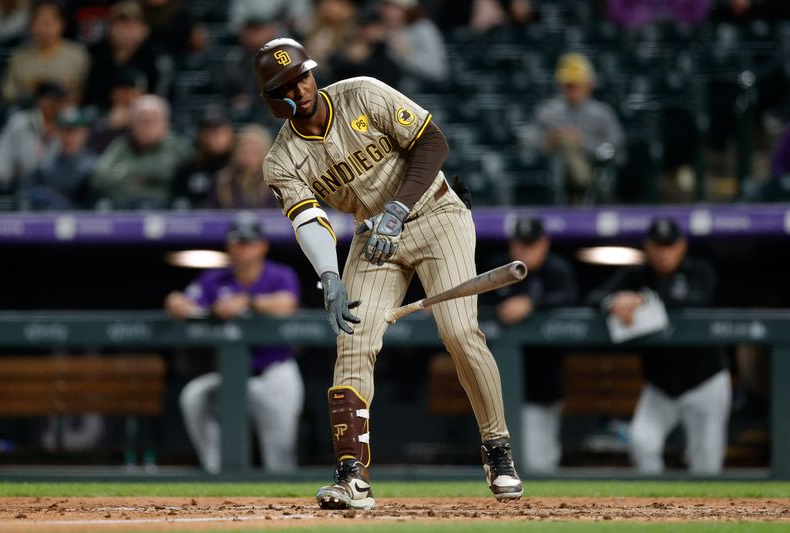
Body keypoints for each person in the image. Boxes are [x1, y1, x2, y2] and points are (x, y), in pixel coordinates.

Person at [256, 38, 523, 510]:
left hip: (437, 215)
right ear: (272, 101)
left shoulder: (362, 93)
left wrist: (398, 208)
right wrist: (329, 277)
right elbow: (308, 221)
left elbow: (433, 141)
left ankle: (497, 450)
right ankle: (351, 475)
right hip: (372, 236)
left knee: (460, 331)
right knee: (354, 339)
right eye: (286, 86)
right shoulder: (282, 159)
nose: (300, 88)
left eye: (302, 75)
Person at [587, 217, 731, 475]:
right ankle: (656, 509)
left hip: (705, 383)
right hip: (660, 388)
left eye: (670, 246)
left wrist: (641, 299)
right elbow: (593, 296)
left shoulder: (699, 271)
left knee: (707, 464)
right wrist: (613, 302)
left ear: (682, 246)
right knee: (642, 442)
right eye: (658, 246)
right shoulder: (638, 274)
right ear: (648, 247)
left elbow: (695, 299)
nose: (664, 253)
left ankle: (707, 515)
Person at [165, 217, 304, 473]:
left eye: (248, 243)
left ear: (262, 246)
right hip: (230, 375)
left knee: (280, 458)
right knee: (194, 396)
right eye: (237, 243)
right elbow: (184, 302)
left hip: (274, 373)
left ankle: (285, 501)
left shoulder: (279, 275)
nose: (242, 248)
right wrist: (178, 302)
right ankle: (216, 470)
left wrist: (249, 302)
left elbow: (287, 304)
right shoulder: (215, 279)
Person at [484, 216, 578, 473]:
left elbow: (571, 298)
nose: (525, 250)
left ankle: (538, 509)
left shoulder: (556, 271)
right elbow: (476, 298)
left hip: (544, 381)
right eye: (520, 244)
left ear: (544, 244)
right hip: (500, 383)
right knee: (515, 459)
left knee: (539, 460)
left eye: (531, 244)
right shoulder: (498, 269)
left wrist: (532, 305)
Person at [520, 53, 624, 205]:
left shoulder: (602, 113)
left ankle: (583, 189)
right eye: (568, 85)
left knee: (570, 144)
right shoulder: (548, 111)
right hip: (554, 169)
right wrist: (548, 141)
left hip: (593, 168)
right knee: (565, 144)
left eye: (576, 85)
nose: (571, 90)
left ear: (589, 85)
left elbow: (615, 149)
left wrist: (584, 143)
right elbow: (525, 139)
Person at [91, 94, 189, 209]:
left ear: (166, 123)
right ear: (131, 123)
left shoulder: (177, 147)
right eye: (142, 120)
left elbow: (183, 178)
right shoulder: (121, 145)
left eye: (154, 120)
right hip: (122, 208)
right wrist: (153, 178)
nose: (148, 126)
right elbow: (99, 179)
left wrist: (127, 172)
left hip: (164, 212)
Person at [1, 0, 89, 104]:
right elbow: (7, 92)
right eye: (40, 22)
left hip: (67, 112)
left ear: (62, 24)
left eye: (50, 22)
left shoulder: (78, 54)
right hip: (28, 111)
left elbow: (85, 91)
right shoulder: (19, 56)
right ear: (31, 25)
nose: (45, 28)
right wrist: (28, 90)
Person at [0, 80, 67, 191]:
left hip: (61, 188)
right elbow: (0, 164)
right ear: (41, 100)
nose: (57, 105)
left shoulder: (68, 122)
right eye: (53, 100)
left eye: (59, 101)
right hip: (23, 186)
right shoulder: (19, 123)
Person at [83, 1, 158, 111]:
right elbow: (91, 98)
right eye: (120, 25)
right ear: (109, 29)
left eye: (131, 26)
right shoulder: (97, 57)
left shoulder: (153, 58)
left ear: (144, 30)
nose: (125, 32)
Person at [24, 106, 96, 209]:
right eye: (65, 130)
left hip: (83, 221)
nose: (69, 136)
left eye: (74, 131)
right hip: (51, 220)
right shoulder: (45, 166)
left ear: (84, 133)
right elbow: (28, 193)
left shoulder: (94, 166)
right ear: (58, 132)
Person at [171, 108, 235, 209]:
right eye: (209, 132)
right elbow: (178, 200)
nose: (215, 138)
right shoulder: (188, 167)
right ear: (201, 135)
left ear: (230, 135)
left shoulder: (239, 166)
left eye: (219, 132)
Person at [206, 125, 277, 209]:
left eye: (254, 151)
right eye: (244, 151)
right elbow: (211, 215)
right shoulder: (223, 181)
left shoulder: (279, 181)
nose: (249, 156)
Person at [86, 67, 147, 154]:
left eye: (133, 93)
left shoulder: (148, 119)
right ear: (113, 94)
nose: (128, 97)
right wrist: (109, 125)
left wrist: (133, 125)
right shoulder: (96, 115)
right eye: (124, 92)